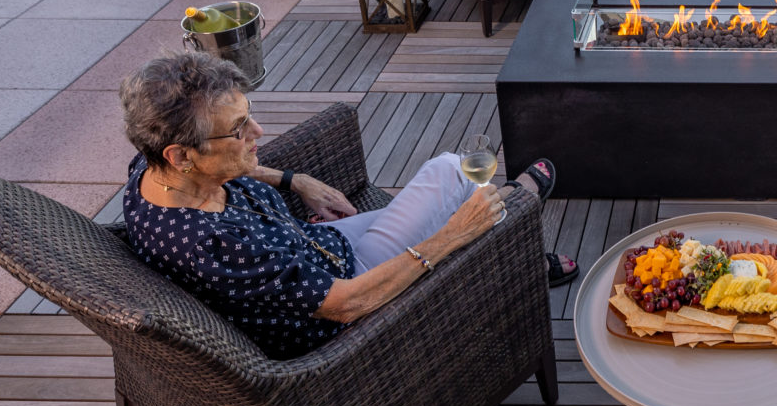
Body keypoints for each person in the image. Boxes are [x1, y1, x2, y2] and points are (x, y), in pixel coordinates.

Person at [118, 52, 569, 361]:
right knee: (450, 174)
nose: (258, 130)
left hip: (312, 242)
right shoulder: (216, 245)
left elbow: (215, 172)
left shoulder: (154, 170)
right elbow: (347, 304)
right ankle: (516, 239)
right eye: (238, 129)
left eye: (248, 112)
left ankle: (511, 240)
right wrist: (453, 237)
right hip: (348, 285)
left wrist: (295, 180)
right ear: (182, 154)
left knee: (462, 201)